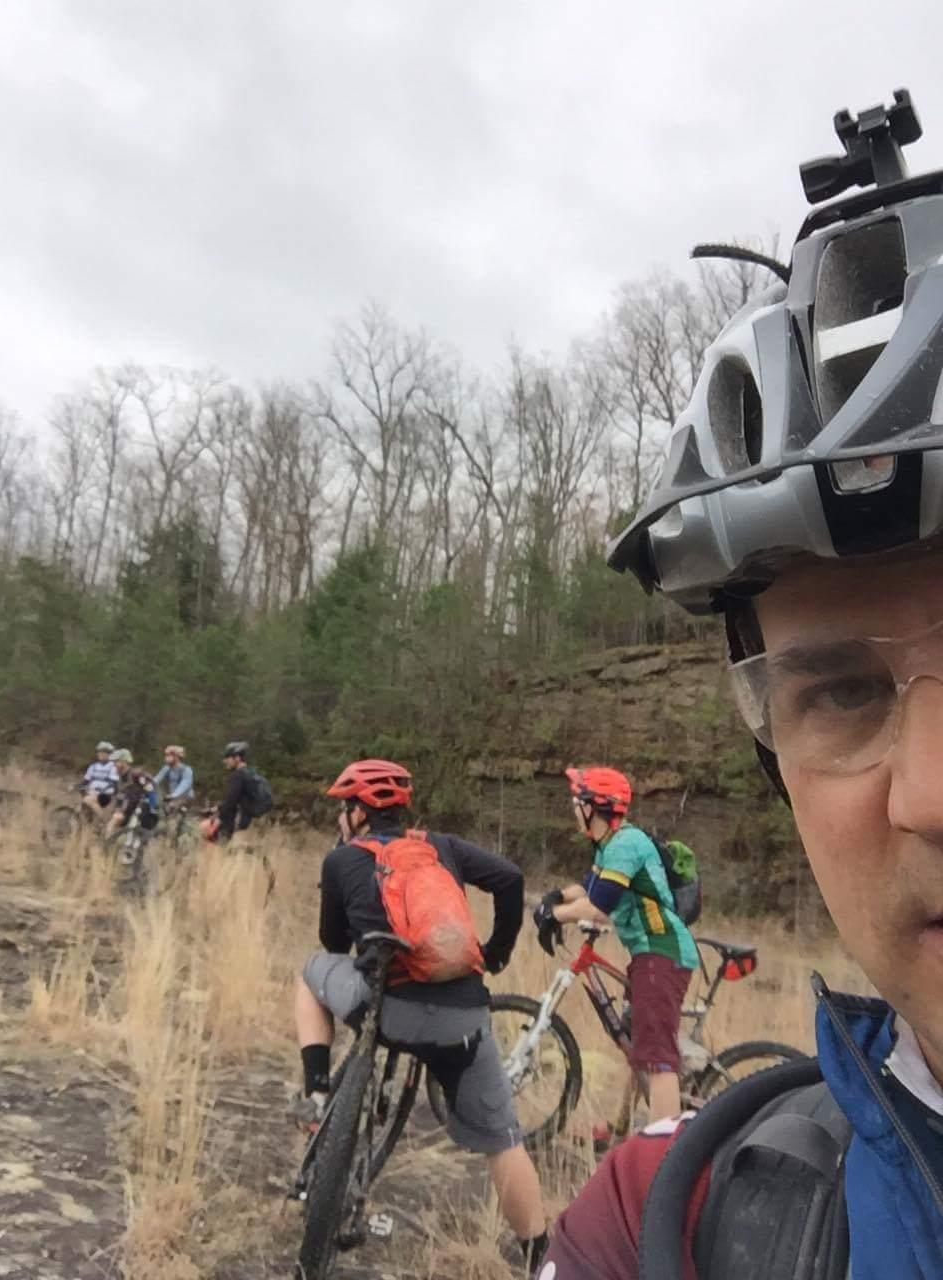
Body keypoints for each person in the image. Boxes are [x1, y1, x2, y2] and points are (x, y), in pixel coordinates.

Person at [541, 89, 943, 1280]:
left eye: (586, 803)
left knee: (656, 1045)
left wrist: (573, 917)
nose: (930, 792)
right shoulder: (673, 1215)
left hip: (662, 954)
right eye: (840, 692)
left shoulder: (626, 848)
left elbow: (612, 900)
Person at [294, 758, 549, 1273]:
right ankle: (542, 1257)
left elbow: (332, 943)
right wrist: (495, 951)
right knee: (503, 1141)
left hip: (384, 1012)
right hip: (463, 1021)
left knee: (308, 974)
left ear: (359, 813)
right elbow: (511, 878)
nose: (342, 818)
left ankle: (317, 1091)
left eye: (345, 809)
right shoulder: (443, 847)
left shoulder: (342, 860)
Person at [534, 766, 698, 1126]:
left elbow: (598, 906)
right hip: (648, 955)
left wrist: (555, 916)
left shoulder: (626, 845)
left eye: (576, 801)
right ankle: (622, 1127)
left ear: (593, 806)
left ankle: (663, 1157)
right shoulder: (610, 846)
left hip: (663, 954)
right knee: (639, 1044)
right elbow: (588, 888)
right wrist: (554, 898)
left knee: (658, 1059)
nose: (572, 808)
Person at [200, 741, 258, 846]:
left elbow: (230, 802)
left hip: (237, 820)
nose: (225, 761)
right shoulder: (249, 773)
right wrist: (215, 808)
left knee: (206, 832)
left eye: (228, 757)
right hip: (246, 818)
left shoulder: (238, 776)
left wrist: (217, 819)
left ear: (237, 758)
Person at [107, 749, 160, 855]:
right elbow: (120, 796)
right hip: (128, 810)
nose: (114, 765)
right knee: (114, 820)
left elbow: (151, 791)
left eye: (116, 762)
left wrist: (153, 807)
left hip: (144, 810)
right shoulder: (121, 778)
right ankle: (107, 848)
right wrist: (117, 809)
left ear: (124, 762)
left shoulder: (137, 775)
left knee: (140, 837)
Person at [80, 741, 119, 819]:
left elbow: (114, 782)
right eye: (100, 752)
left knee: (88, 800)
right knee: (85, 805)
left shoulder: (113, 767)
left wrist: (103, 789)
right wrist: (77, 786)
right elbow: (86, 780)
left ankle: (103, 820)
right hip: (93, 792)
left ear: (109, 754)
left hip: (105, 794)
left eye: (104, 753)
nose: (101, 754)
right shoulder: (93, 766)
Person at [153, 744, 194, 813]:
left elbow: (184, 785)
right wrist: (147, 784)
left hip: (185, 797)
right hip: (171, 796)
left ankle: (174, 821)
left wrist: (173, 795)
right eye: (166, 755)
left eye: (169, 755)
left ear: (176, 757)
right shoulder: (167, 768)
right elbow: (157, 779)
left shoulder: (186, 770)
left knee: (171, 808)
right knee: (155, 805)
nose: (166, 758)